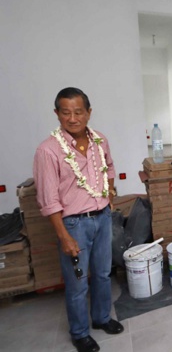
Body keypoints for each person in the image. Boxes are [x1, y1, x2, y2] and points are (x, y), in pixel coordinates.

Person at [33, 87, 123, 352]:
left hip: (103, 217)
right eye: (66, 112)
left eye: (78, 112)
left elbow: (109, 167)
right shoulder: (48, 151)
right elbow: (48, 200)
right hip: (74, 224)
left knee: (104, 274)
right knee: (77, 282)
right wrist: (64, 237)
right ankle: (80, 332)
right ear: (57, 114)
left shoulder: (100, 140)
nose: (72, 118)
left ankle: (102, 318)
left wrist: (110, 197)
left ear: (88, 113)